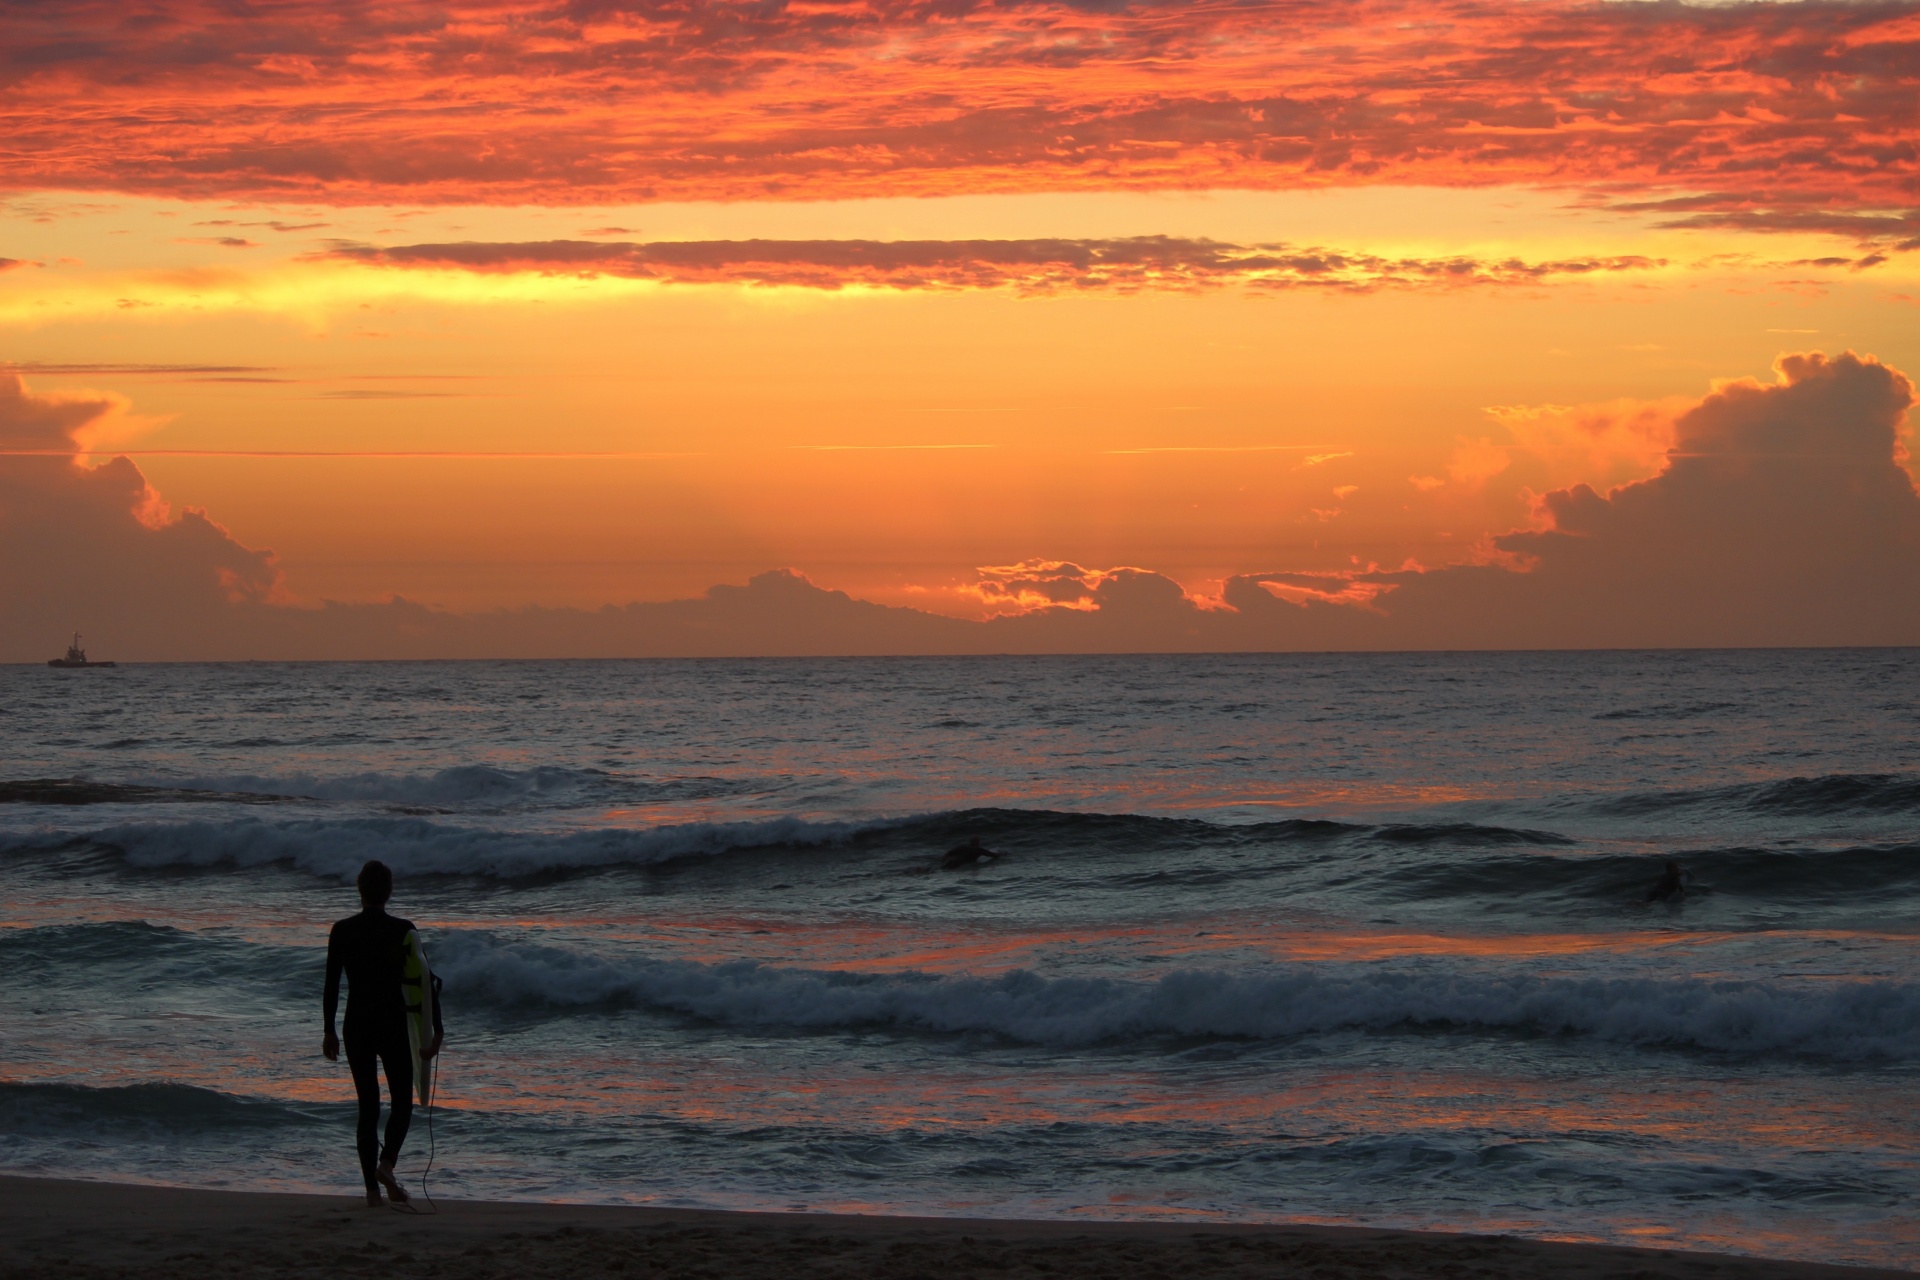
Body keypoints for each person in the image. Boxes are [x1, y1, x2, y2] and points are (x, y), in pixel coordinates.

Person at [323, 859, 442, 1207]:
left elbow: (331, 985)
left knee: (368, 1107)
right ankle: (387, 1164)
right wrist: (437, 1031)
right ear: (389, 892)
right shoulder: (403, 929)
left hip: (356, 1023)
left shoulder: (342, 930)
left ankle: (372, 1193)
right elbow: (426, 982)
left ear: (359, 890)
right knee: (402, 1103)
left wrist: (329, 1031)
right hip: (392, 1023)